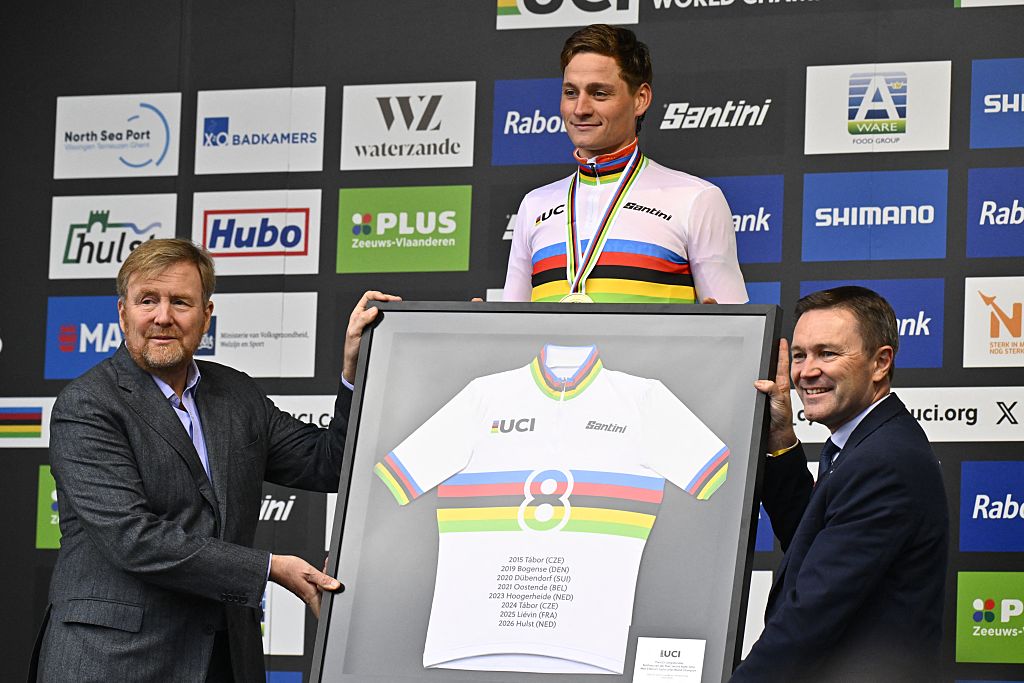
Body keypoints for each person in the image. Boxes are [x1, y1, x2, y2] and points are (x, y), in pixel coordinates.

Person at [30, 238, 398, 682]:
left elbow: (331, 464)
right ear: (123, 313)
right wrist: (269, 568)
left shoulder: (236, 394)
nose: (163, 316)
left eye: (180, 302)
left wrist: (354, 371)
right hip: (115, 662)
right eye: (147, 300)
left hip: (225, 659)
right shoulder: (88, 405)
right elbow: (134, 539)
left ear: (206, 315)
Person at [731, 286, 948, 682]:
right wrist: (780, 438)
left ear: (880, 363)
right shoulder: (864, 443)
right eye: (800, 355)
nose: (806, 372)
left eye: (827, 353)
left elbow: (810, 616)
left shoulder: (883, 461)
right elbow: (811, 540)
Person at [503, 23, 747, 305]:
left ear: (640, 99)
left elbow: (735, 324)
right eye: (571, 93)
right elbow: (512, 322)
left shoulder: (696, 199)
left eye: (599, 93)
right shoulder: (534, 204)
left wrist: (722, 325)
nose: (580, 109)